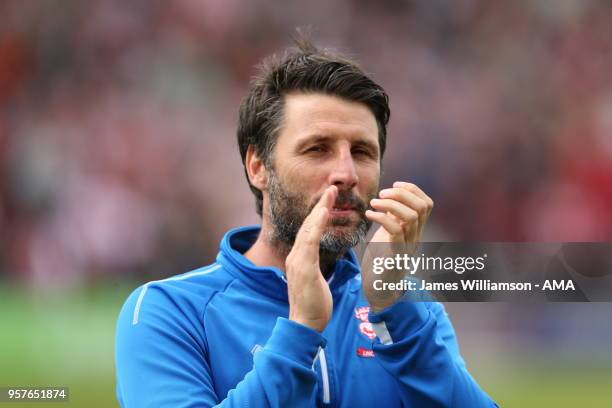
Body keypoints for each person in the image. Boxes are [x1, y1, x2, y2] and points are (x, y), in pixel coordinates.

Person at [115, 37, 498, 407]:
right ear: (258, 167)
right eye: (318, 149)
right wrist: (299, 333)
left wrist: (394, 309)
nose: (346, 173)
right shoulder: (169, 310)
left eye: (362, 152)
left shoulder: (407, 306)